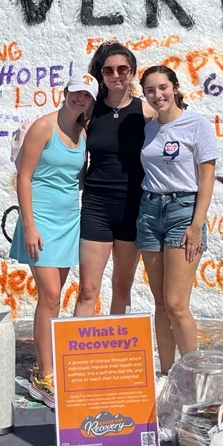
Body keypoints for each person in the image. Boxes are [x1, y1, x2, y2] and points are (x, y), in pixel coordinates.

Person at [10, 74, 98, 407]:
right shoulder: (43, 127)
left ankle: (43, 363)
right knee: (49, 295)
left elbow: (75, 179)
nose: (81, 99)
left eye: (87, 96)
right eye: (76, 93)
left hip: (68, 222)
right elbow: (24, 176)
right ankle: (44, 378)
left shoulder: (83, 132)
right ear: (65, 93)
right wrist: (29, 226)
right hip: (41, 222)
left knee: (55, 297)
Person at [135, 65, 218, 375]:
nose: (158, 95)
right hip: (149, 210)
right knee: (159, 303)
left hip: (183, 210)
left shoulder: (197, 125)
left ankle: (194, 374)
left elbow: (207, 178)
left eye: (163, 87)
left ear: (175, 88)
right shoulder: (149, 128)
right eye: (150, 90)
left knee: (176, 304)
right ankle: (168, 373)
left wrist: (196, 225)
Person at [76, 41, 152, 317]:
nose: (116, 75)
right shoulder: (89, 111)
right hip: (96, 207)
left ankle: (117, 356)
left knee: (122, 286)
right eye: (108, 70)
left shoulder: (146, 113)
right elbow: (62, 133)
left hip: (133, 207)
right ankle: (77, 356)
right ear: (101, 74)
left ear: (131, 72)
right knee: (87, 289)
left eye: (122, 69)